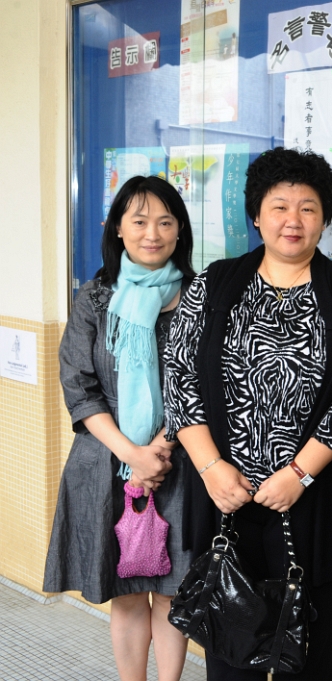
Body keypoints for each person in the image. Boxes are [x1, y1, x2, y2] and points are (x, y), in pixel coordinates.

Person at [163, 147, 332, 680]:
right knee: (228, 647)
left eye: (307, 207)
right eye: (279, 206)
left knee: (309, 653)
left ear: (324, 218)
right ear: (256, 215)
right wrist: (212, 468)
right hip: (223, 498)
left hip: (310, 502)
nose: (292, 220)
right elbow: (179, 376)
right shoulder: (215, 283)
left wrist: (298, 474)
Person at [45, 175, 197, 681]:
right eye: (139, 221)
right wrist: (133, 454)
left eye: (165, 222)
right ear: (117, 229)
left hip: (181, 460)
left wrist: (160, 447)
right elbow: (79, 386)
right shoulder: (94, 298)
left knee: (174, 593)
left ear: (180, 230)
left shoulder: (199, 297)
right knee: (127, 594)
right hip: (107, 461)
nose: (152, 233)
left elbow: (203, 382)